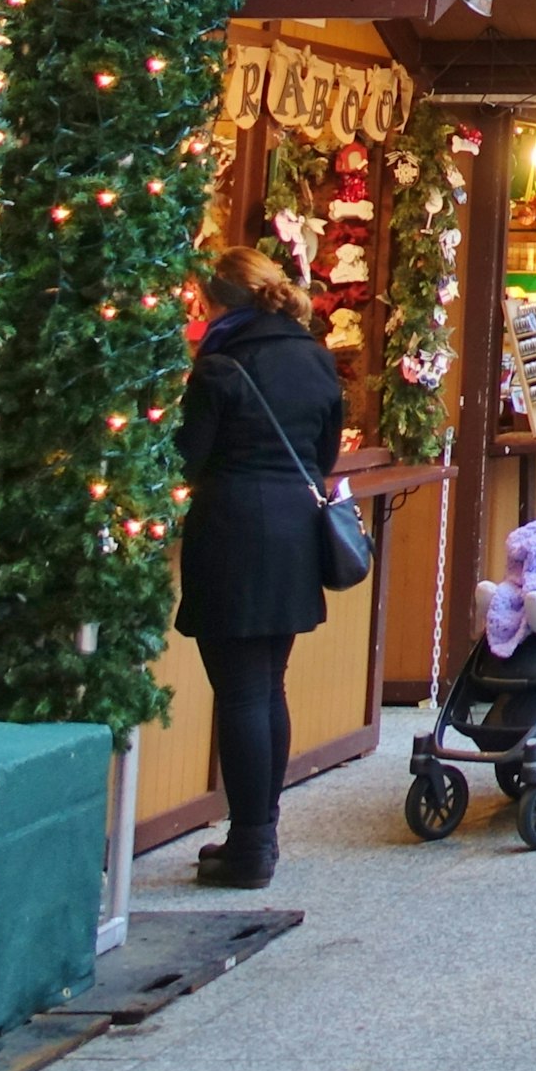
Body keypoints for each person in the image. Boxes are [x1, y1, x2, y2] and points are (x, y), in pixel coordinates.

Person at [174, 246, 352, 888]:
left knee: (242, 692)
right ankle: (260, 833)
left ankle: (250, 848)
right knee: (268, 685)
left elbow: (187, 461)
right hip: (295, 533)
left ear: (219, 301)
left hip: (233, 531)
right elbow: (325, 452)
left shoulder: (220, 365)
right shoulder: (313, 356)